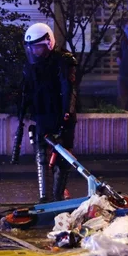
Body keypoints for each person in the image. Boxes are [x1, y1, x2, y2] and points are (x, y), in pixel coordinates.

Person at [17, 22, 79, 202]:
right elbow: (26, 90)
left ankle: (58, 195)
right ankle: (45, 196)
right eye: (31, 48)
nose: (34, 52)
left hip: (61, 115)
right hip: (42, 114)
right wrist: (21, 110)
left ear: (48, 43)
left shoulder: (63, 61)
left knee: (62, 158)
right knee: (41, 156)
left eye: (38, 47)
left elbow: (69, 89)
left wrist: (67, 113)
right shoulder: (31, 66)